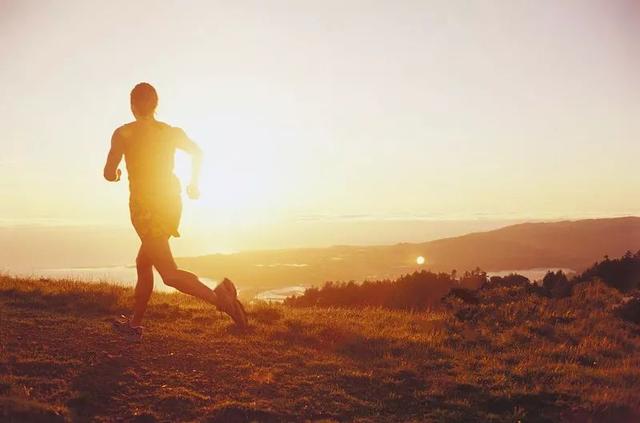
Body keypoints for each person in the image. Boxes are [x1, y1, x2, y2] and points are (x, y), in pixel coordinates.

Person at [104, 82, 247, 340]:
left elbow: (108, 172)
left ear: (132, 105)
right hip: (171, 202)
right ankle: (134, 324)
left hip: (145, 209)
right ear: (156, 104)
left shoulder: (123, 134)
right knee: (143, 262)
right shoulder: (170, 132)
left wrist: (116, 175)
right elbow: (198, 152)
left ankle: (221, 300)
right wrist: (194, 183)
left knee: (168, 274)